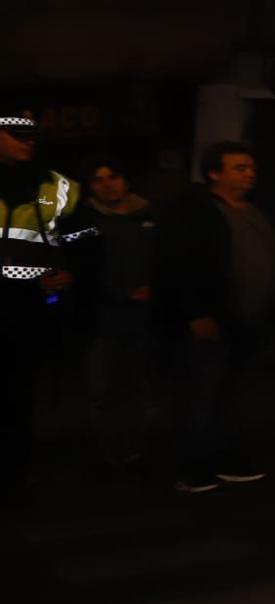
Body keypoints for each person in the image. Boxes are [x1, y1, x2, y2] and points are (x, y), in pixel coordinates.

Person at [155, 141, 275, 494]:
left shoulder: (253, 211)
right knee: (202, 392)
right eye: (239, 167)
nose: (249, 173)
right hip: (214, 318)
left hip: (247, 321)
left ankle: (226, 458)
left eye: (251, 167)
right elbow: (181, 265)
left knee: (232, 394)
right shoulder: (195, 213)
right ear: (215, 173)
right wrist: (196, 312)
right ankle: (193, 466)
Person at [0, 110, 91, 502]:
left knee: (17, 396)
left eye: (33, 134)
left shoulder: (55, 186)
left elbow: (85, 235)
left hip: (23, 312)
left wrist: (68, 271)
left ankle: (13, 476)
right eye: (18, 133)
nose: (29, 140)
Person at [81, 160, 159, 467]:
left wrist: (156, 289)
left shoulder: (150, 215)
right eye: (98, 179)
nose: (107, 184)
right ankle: (106, 452)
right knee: (102, 390)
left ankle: (142, 450)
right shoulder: (85, 221)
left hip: (146, 317)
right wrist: (121, 292)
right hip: (103, 319)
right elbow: (84, 269)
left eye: (113, 176)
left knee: (145, 387)